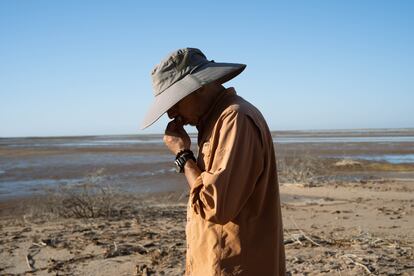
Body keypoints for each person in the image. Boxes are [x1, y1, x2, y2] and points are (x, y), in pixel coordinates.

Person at [142, 48, 286, 275]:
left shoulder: (234, 118)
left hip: (237, 266)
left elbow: (214, 206)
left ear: (198, 87)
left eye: (175, 102)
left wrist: (183, 154)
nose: (171, 114)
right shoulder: (216, 121)